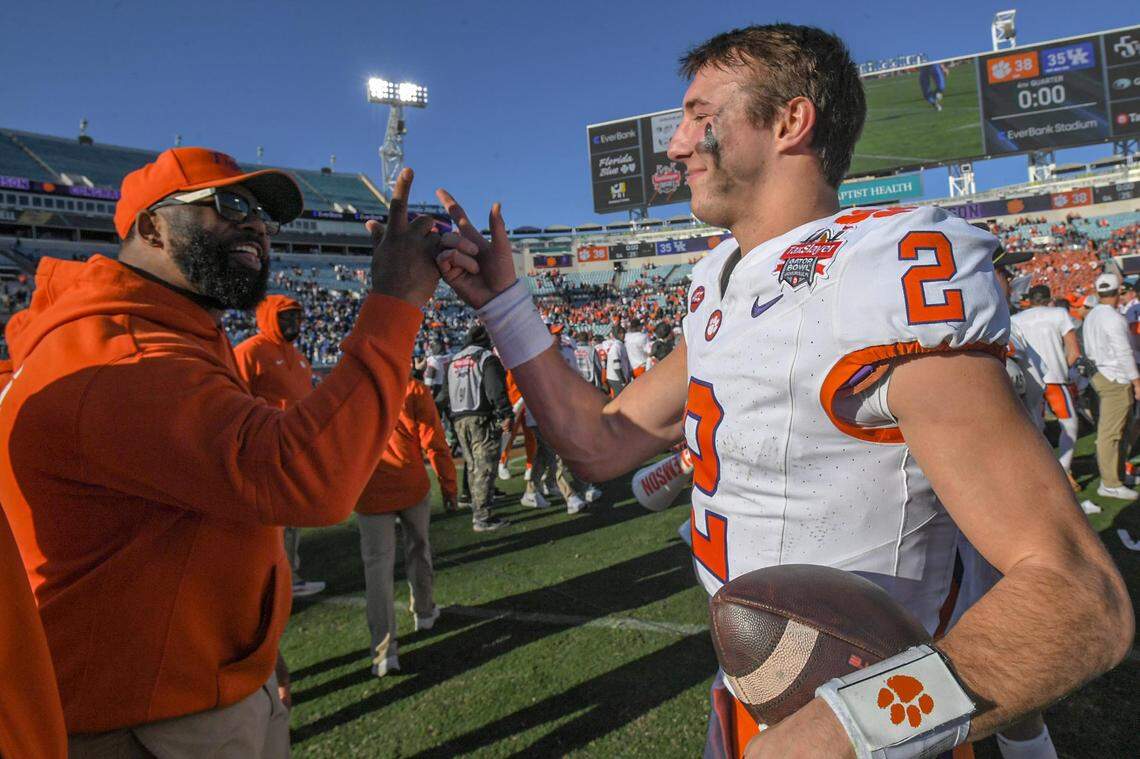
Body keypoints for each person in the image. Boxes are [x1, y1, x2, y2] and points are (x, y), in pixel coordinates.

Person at [434, 23, 1131, 759]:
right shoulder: (720, 283)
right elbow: (598, 441)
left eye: (701, 117)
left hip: (875, 727)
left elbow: (1081, 596)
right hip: (753, 699)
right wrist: (505, 307)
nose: (674, 145)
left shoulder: (881, 274)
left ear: (789, 123)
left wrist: (833, 735)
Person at [0, 149, 448, 756]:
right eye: (231, 205)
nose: (257, 225)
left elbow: (192, 520)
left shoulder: (158, 331)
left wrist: (256, 654)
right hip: (150, 720)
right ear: (153, 225)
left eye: (263, 214)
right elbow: (305, 478)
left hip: (192, 683)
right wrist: (396, 299)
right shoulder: (119, 354)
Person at [355, 373, 457, 677]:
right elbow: (435, 442)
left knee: (377, 572)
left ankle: (384, 652)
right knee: (419, 549)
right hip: (410, 484)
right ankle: (424, 612)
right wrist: (449, 486)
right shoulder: (412, 388)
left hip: (370, 490)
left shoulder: (353, 388)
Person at [235, 294, 326, 597]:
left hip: (294, 450)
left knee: (291, 518)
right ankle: (269, 579)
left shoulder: (299, 358)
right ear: (269, 317)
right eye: (286, 316)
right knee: (269, 522)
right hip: (263, 452)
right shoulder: (249, 351)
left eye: (297, 317)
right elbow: (232, 399)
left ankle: (289, 575)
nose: (293, 323)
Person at [1010, 285, 1081, 490]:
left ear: (1029, 300)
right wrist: (1063, 368)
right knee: (1069, 425)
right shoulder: (1059, 313)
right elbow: (1074, 351)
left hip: (1030, 380)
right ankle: (1063, 470)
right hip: (1055, 378)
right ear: (1049, 299)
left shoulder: (1017, 319)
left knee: (1036, 429)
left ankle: (1043, 473)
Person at [443, 325, 511, 532]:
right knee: (485, 468)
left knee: (472, 466)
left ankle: (478, 509)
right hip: (481, 418)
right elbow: (495, 388)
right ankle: (482, 517)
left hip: (458, 418)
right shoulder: (485, 358)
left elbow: (445, 394)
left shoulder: (454, 360)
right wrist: (505, 412)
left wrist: (451, 419)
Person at [1082, 272, 1140, 500]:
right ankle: (1110, 483)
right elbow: (1123, 352)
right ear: (1118, 292)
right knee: (1111, 433)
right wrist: (1136, 381)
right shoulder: (1113, 318)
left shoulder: (1093, 315)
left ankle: (1116, 476)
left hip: (1101, 374)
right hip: (1114, 377)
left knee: (1118, 431)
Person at [596, 323, 631, 396]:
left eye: (623, 332)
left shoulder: (620, 344)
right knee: (620, 398)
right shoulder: (616, 347)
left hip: (618, 377)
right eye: (620, 333)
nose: (622, 335)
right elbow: (616, 366)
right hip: (616, 378)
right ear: (616, 335)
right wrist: (622, 381)